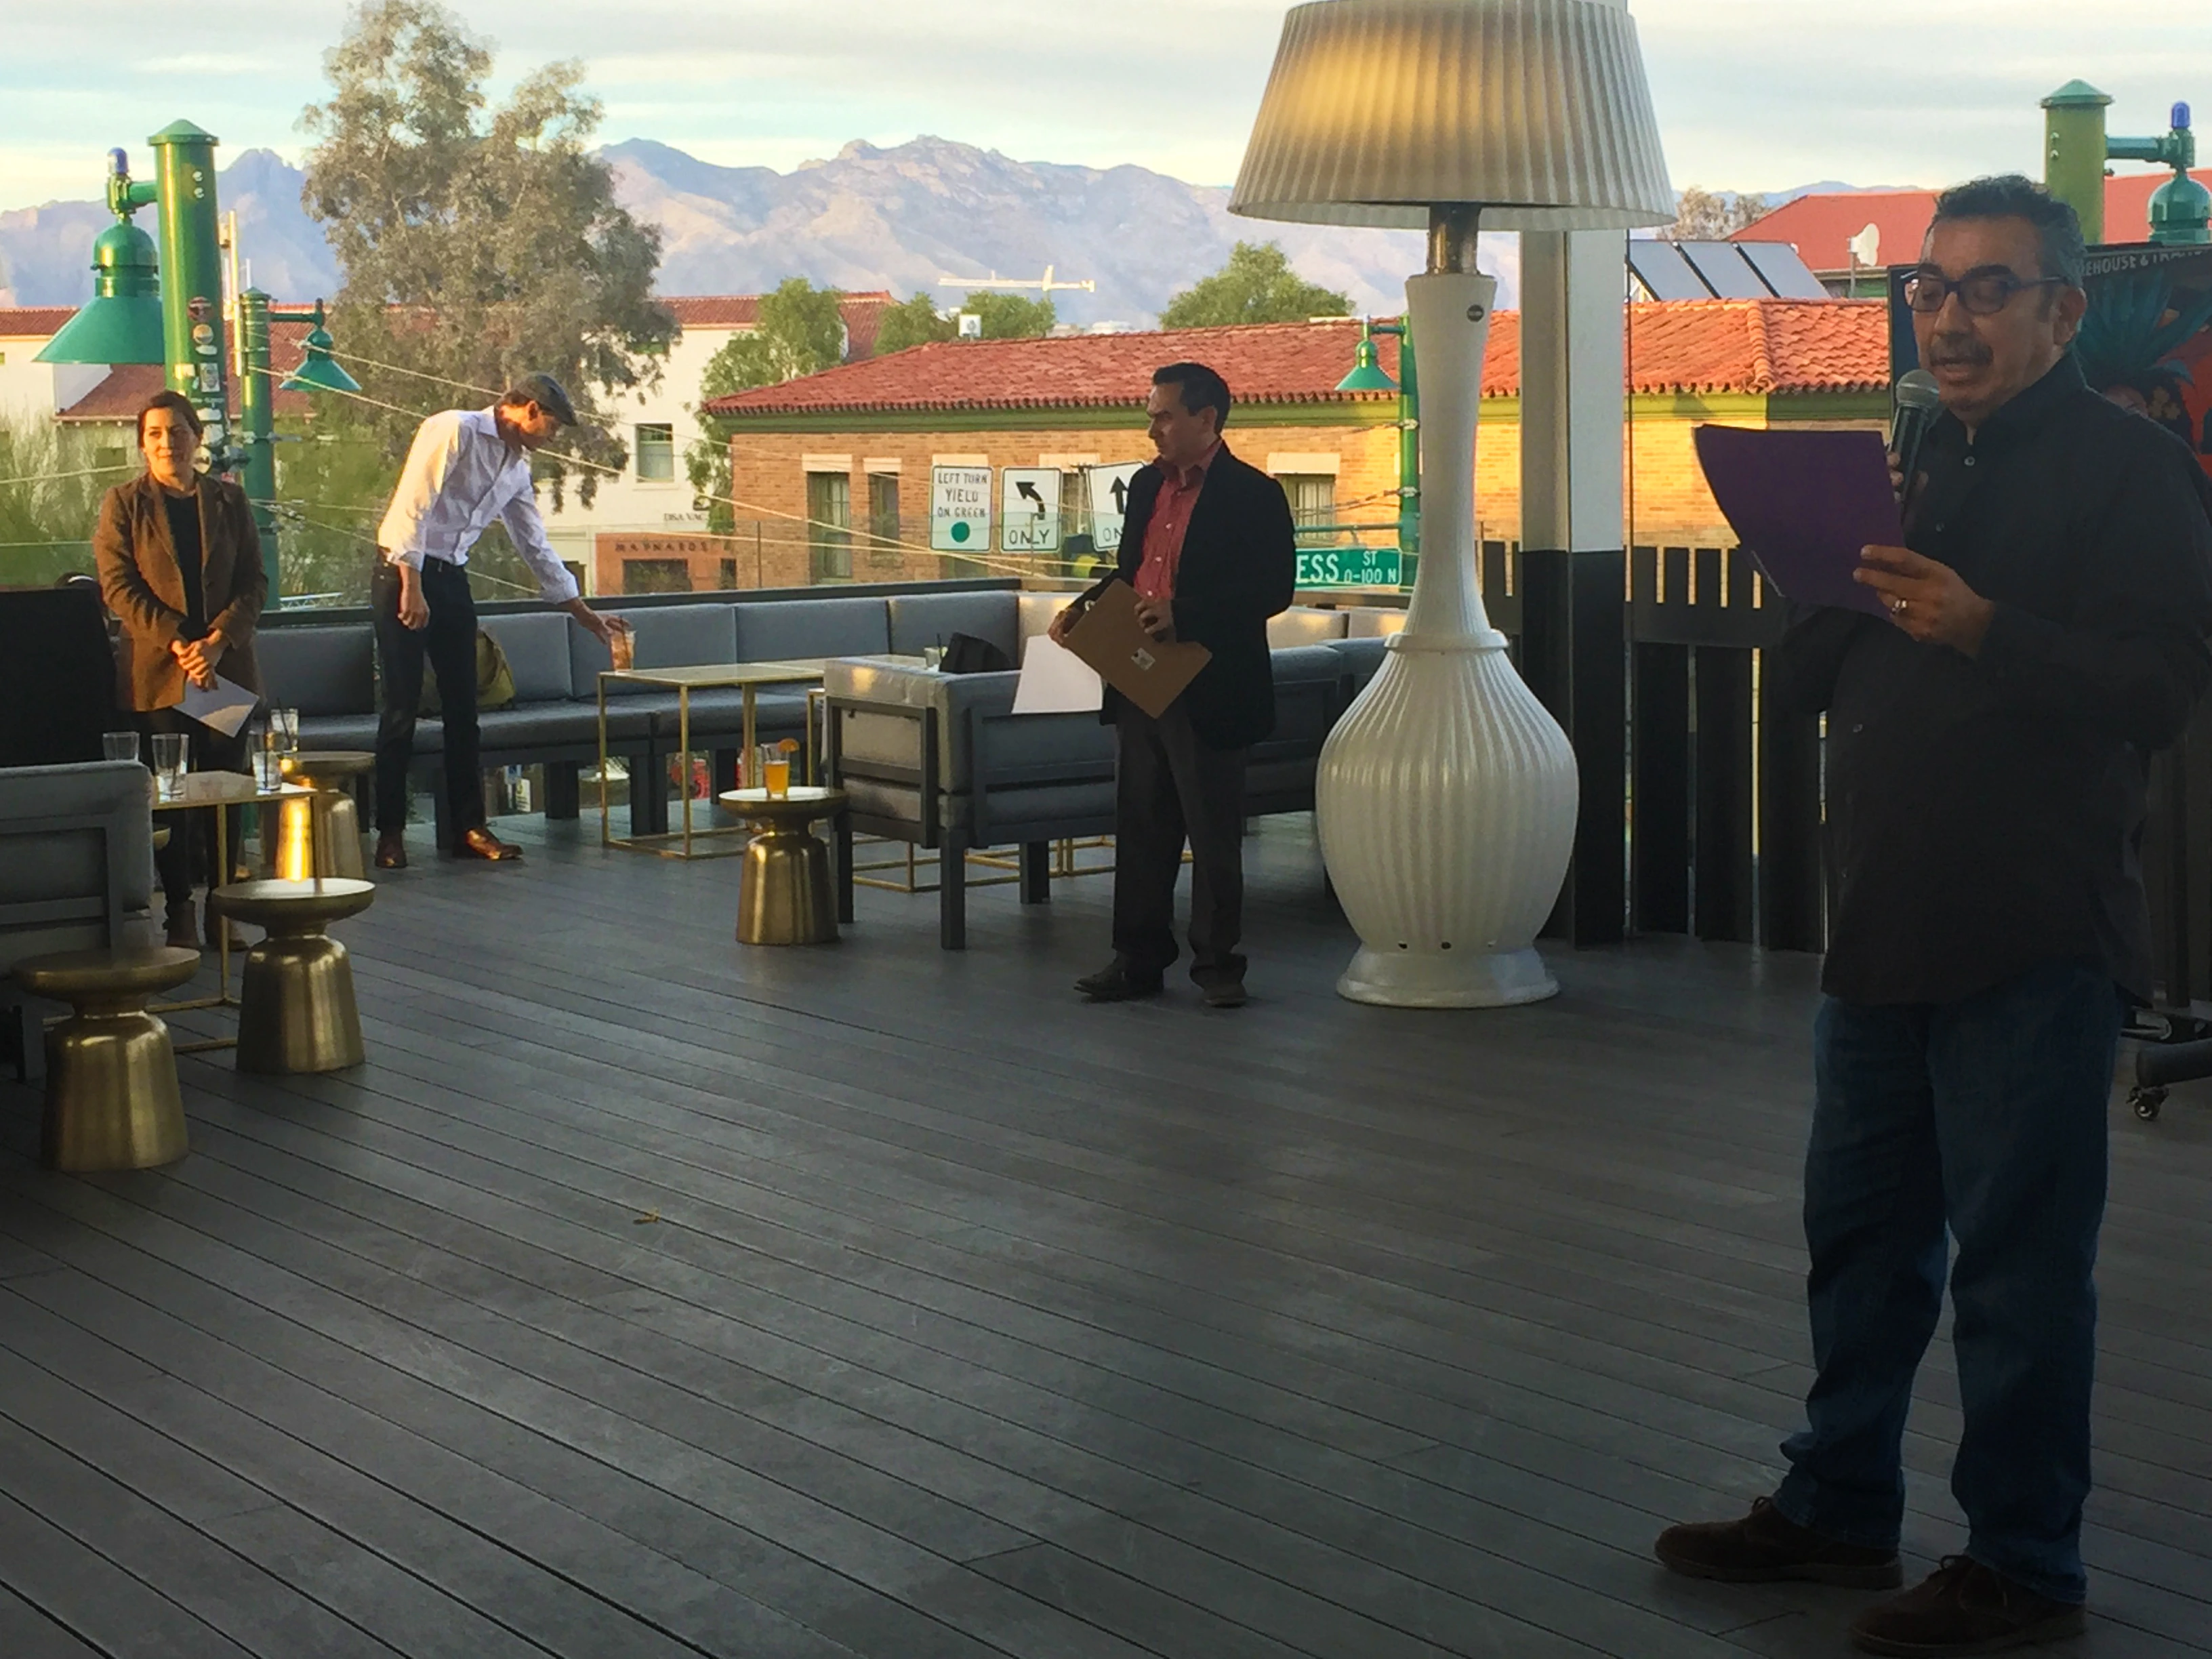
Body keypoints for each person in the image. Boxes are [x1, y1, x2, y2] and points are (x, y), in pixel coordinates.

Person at [1654, 176, 2212, 1656]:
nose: (1948, 317)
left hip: (2034, 935)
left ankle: (2025, 1564)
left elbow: (2159, 693)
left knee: (2021, 1275)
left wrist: (1987, 628)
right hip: (1882, 921)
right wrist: (1821, 569)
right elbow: (1828, 672)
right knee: (1859, 1245)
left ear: (2063, 309)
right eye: (1930, 287)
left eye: (1986, 288)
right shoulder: (1908, 457)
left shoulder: (2129, 471)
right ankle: (1839, 1509)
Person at [1051, 362, 1295, 1008]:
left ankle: (1219, 968)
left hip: (1213, 688)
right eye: (1152, 413)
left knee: (1212, 833)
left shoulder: (1255, 495)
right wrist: (1085, 606)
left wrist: (1184, 614)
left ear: (1206, 419)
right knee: (1141, 825)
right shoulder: (1143, 486)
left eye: (1163, 414)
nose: (1152, 426)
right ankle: (1136, 960)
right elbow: (1132, 573)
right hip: (1139, 678)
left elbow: (1274, 591)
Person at [371, 373, 623, 867]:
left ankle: (469, 826)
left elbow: (534, 545)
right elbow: (412, 506)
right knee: (401, 708)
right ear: (528, 410)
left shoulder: (516, 468)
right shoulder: (455, 429)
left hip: (452, 576)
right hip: (403, 570)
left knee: (464, 708)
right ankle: (390, 833)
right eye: (552, 425)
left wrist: (584, 614)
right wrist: (413, 585)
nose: (553, 437)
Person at [94, 390, 266, 949]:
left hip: (221, 670)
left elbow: (254, 583)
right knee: (173, 796)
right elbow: (118, 585)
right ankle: (181, 914)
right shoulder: (124, 503)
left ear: (198, 438)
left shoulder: (230, 502)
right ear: (144, 445)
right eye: (156, 434)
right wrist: (180, 643)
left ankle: (223, 908)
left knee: (222, 794)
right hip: (160, 673)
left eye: (178, 431)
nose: (168, 442)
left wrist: (217, 642)